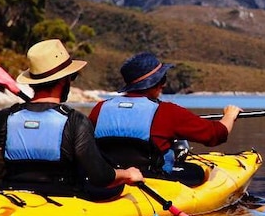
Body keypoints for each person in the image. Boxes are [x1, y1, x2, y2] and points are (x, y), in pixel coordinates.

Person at [0, 39, 143, 199]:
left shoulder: (5, 117)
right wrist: (127, 174)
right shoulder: (76, 121)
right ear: (63, 80)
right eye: (72, 77)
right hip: (62, 196)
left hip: (9, 191)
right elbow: (101, 177)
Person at [88, 51, 242, 186]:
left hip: (112, 179)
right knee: (198, 171)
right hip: (155, 179)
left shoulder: (99, 108)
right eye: (162, 80)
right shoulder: (167, 112)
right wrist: (229, 115)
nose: (163, 85)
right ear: (155, 83)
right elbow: (216, 135)